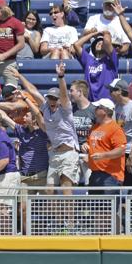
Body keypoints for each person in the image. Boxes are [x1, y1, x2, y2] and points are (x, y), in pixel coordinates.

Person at [0, 90, 48, 230]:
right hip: (25, 177)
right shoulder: (21, 131)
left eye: (26, 115)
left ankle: (53, 232)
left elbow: (37, 113)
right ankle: (27, 239)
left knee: (49, 207)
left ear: (33, 119)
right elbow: (3, 116)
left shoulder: (43, 132)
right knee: (23, 210)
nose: (23, 117)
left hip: (42, 175)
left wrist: (25, 99)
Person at [41, 63, 80, 194]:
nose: (52, 100)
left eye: (54, 98)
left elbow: (64, 95)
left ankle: (69, 216)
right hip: (55, 154)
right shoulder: (46, 108)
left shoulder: (66, 110)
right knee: (49, 190)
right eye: (50, 98)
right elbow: (33, 93)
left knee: (66, 188)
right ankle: (57, 216)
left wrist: (61, 76)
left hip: (69, 153)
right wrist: (20, 77)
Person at [85, 98, 127, 192]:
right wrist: (85, 146)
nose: (94, 109)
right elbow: (90, 143)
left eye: (97, 108)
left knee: (109, 206)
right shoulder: (95, 127)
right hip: (95, 173)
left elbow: (121, 150)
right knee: (96, 206)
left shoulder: (115, 129)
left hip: (110, 176)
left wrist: (103, 155)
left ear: (105, 111)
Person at [74, 29, 118, 101]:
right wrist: (93, 34)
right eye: (97, 42)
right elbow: (76, 45)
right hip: (91, 102)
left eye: (102, 42)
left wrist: (106, 33)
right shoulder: (89, 60)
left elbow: (107, 41)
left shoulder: (111, 60)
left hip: (106, 103)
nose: (99, 43)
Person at [70, 79, 95, 184]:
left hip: (88, 155)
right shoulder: (70, 110)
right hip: (73, 153)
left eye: (72, 90)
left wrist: (90, 146)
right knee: (69, 184)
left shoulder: (94, 110)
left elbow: (101, 133)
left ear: (80, 92)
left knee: (90, 185)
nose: (69, 93)